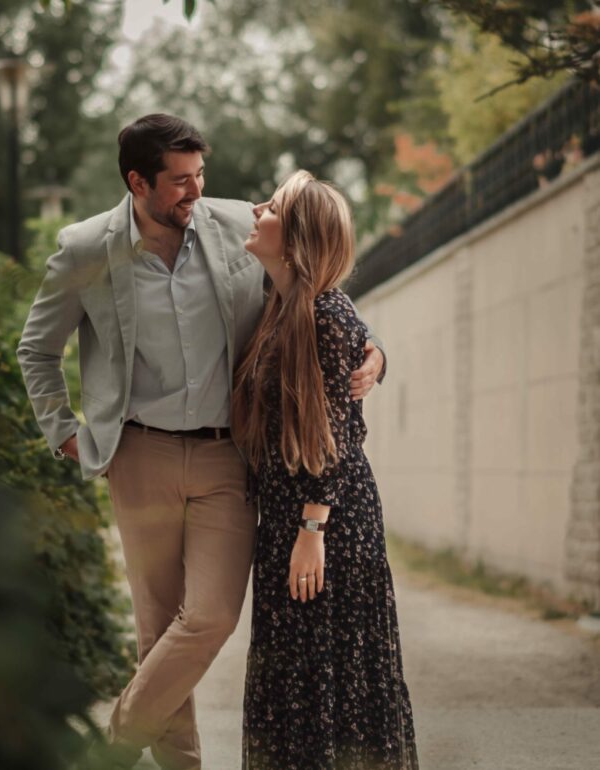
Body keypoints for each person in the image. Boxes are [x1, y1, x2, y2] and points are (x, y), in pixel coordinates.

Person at [17, 115, 386, 770]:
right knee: (159, 629)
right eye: (180, 181)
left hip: (226, 456)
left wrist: (376, 352)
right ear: (139, 182)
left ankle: (110, 747)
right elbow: (37, 350)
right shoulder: (86, 249)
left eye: (200, 175)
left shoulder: (236, 224)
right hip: (139, 454)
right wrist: (64, 433)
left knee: (210, 617)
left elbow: (317, 287)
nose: (196, 191)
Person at [232, 170, 418, 770]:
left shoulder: (325, 312)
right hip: (287, 515)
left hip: (327, 519)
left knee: (330, 678)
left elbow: (334, 431)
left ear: (296, 238)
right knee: (294, 676)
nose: (256, 209)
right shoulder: (281, 304)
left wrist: (312, 530)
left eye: (272, 207)